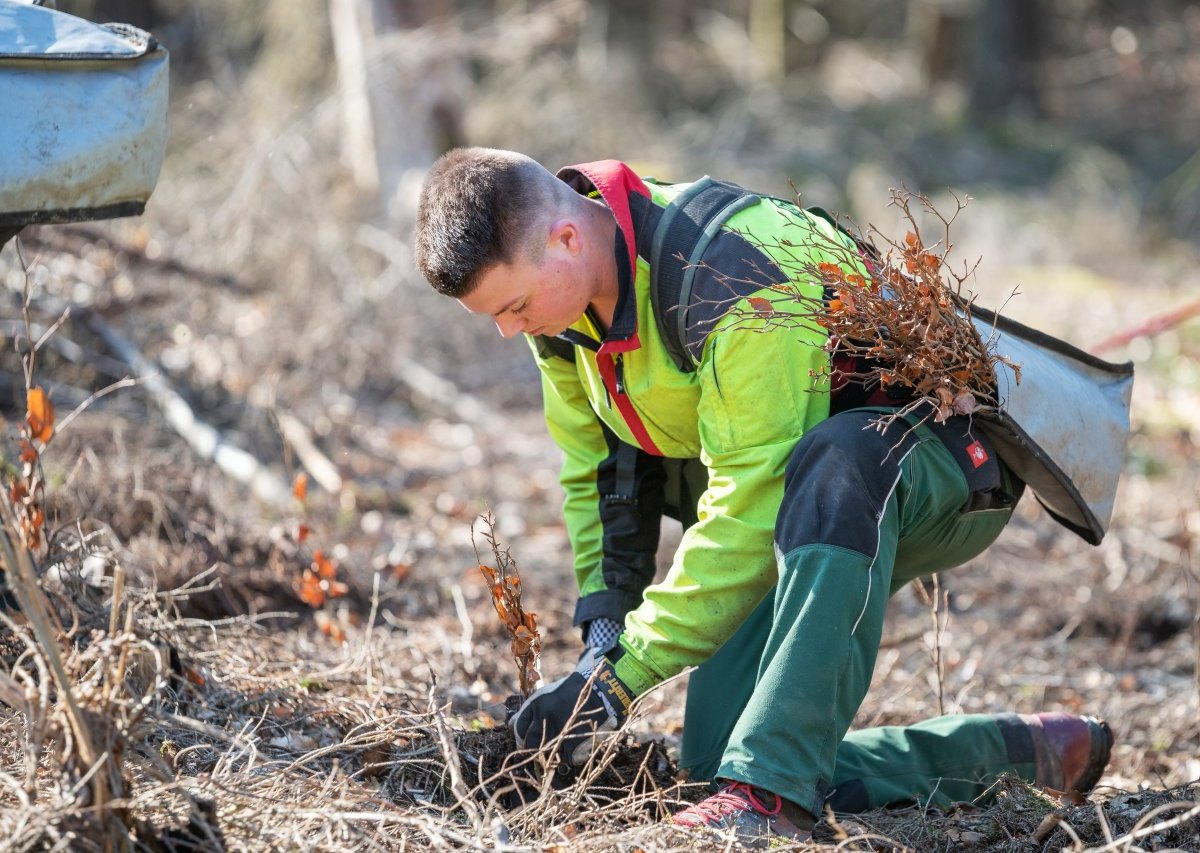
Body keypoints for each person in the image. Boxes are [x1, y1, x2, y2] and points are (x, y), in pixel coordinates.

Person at [413, 148, 1113, 843]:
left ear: (566, 239)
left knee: (836, 460)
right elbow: (601, 472)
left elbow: (752, 504)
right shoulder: (562, 319)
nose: (509, 329)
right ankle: (1026, 753)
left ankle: (770, 800)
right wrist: (601, 645)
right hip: (797, 497)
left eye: (514, 305)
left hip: (936, 466)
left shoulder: (728, 279)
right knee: (720, 760)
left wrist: (618, 680)